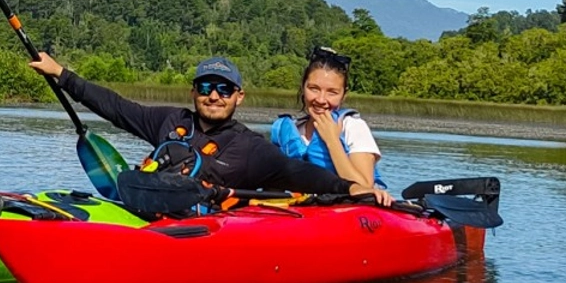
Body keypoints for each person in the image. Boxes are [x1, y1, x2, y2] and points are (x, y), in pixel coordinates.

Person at [28, 52, 391, 205]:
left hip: (202, 223)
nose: (213, 96)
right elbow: (117, 108)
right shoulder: (170, 121)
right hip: (151, 208)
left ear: (239, 97)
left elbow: (300, 173)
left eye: (224, 89)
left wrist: (357, 191)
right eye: (205, 88)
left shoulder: (250, 147)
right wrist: (62, 74)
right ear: (194, 92)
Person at [270, 47, 384, 189]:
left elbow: (364, 187)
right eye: (314, 89)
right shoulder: (287, 130)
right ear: (303, 87)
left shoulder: (353, 127)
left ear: (344, 95)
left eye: (332, 92)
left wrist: (332, 140)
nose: (321, 99)